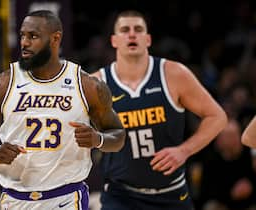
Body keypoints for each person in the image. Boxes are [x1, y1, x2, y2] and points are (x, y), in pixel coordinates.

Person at [0, 10, 125, 210]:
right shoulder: (0, 85)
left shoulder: (87, 85)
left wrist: (98, 140)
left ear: (55, 38)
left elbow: (118, 136)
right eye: (22, 35)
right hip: (16, 199)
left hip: (66, 198)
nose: (24, 42)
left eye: (33, 36)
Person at [91, 10, 227, 210]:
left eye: (138, 29)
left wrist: (184, 150)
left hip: (170, 194)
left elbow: (218, 117)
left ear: (148, 39)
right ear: (114, 40)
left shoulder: (173, 74)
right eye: (124, 30)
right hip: (120, 195)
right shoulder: (96, 83)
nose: (131, 34)